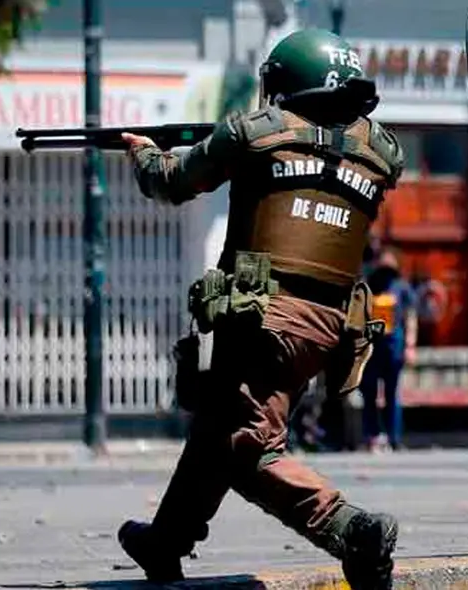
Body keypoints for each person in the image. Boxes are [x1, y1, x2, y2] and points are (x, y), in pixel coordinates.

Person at [115, 28, 404, 589]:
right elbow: (321, 151)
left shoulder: (253, 133)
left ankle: (351, 529)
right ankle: (165, 541)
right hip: (330, 325)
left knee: (246, 444)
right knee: (222, 426)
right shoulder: (380, 152)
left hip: (264, 317)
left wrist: (144, 152)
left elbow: (172, 182)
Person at [360, 248, 418, 451]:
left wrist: (410, 346)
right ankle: (371, 436)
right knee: (369, 394)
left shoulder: (400, 287)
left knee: (392, 394)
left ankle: (394, 438)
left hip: (394, 346)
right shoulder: (368, 286)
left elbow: (410, 316)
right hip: (372, 348)